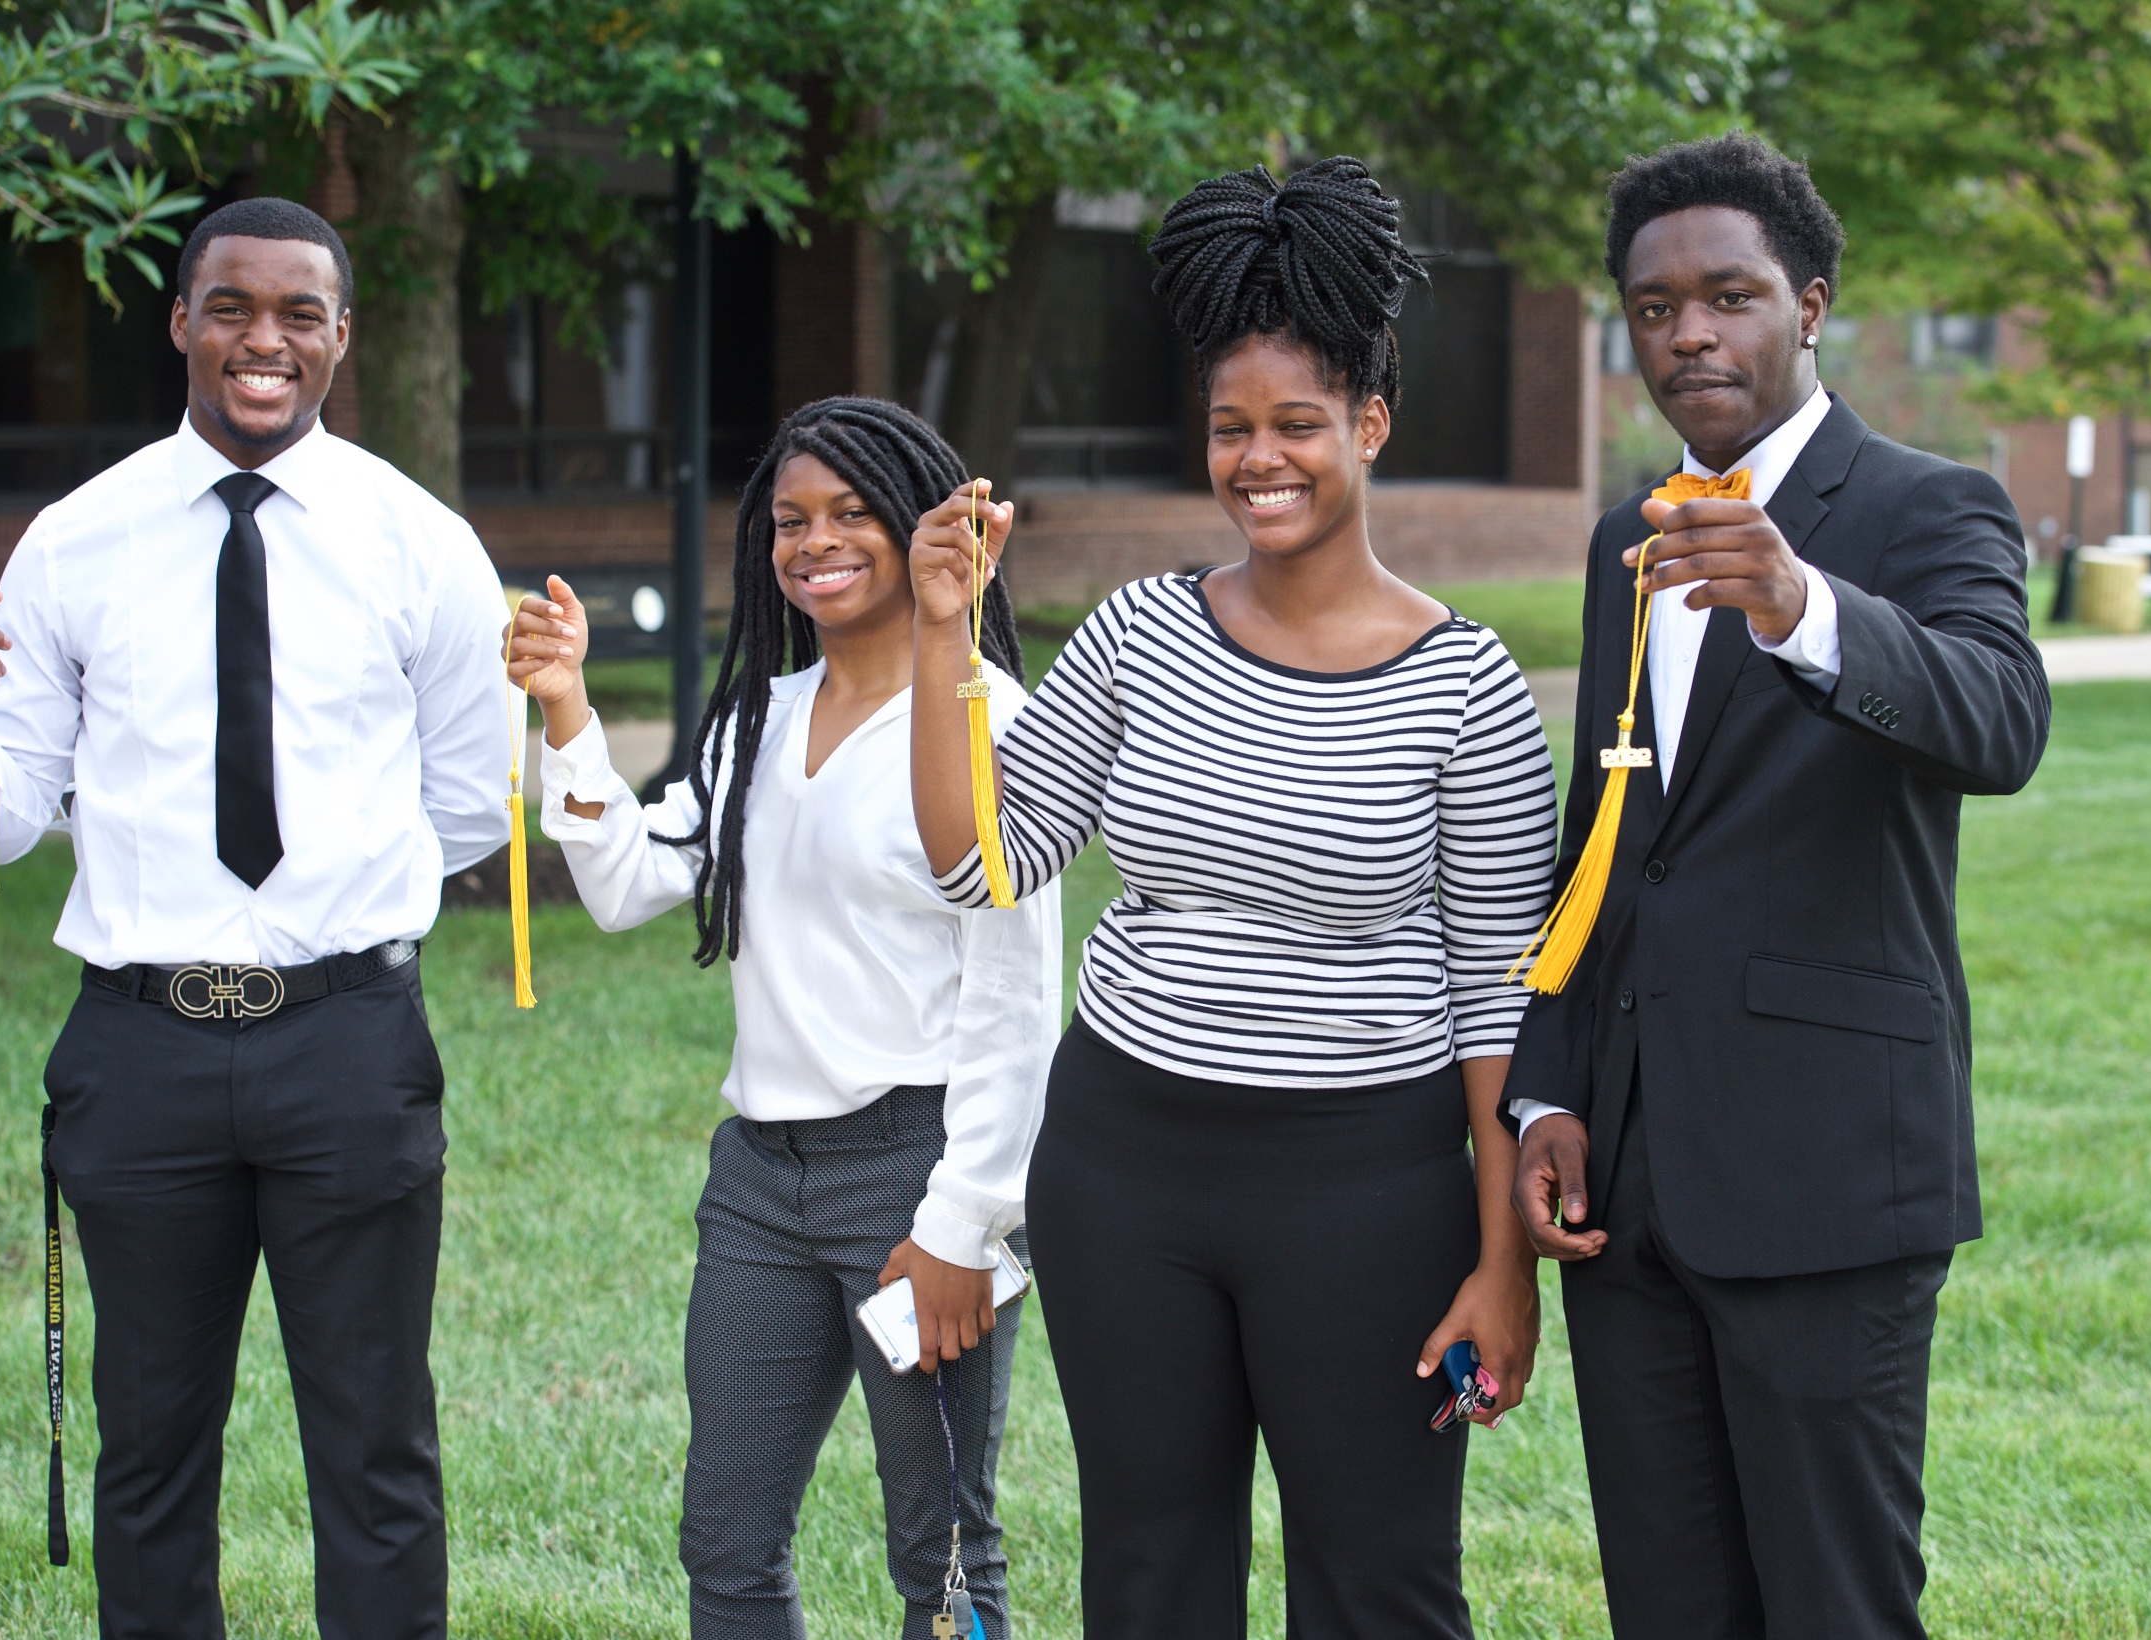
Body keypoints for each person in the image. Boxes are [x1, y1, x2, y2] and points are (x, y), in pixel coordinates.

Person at [900, 158, 1557, 1640]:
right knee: (1148, 1578)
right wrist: (947, 638)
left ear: (1372, 425)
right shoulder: (1139, 631)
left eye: (1300, 426)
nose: (1261, 460)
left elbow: (1501, 1000)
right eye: (1230, 429)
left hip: (1370, 1192)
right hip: (1124, 1169)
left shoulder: (1465, 686)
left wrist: (1503, 1271)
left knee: (1381, 1583)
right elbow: (981, 861)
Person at [0, 197, 512, 1638]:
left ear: (341, 339)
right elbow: (15, 806)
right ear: (181, 321)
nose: (265, 340)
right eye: (232, 306)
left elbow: (473, 799)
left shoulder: (418, 543)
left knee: (375, 1445)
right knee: (151, 1447)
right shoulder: (80, 539)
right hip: (142, 1051)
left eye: (301, 313)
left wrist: (338, 908)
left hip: (348, 1045)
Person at [1504, 133, 2051, 1640]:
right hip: (1631, 1190)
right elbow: (1603, 844)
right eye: (1655, 306)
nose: (1690, 332)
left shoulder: (1928, 508)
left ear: (1810, 305)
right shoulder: (1630, 538)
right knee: (1669, 1609)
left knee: (1835, 1604)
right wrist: (1547, 1093)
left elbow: (2000, 724)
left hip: (1827, 1180)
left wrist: (1802, 606)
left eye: (1729, 296)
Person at [509, 397, 1060, 1640]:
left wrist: (966, 1222)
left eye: (852, 513)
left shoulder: (992, 718)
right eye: (790, 520)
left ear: (922, 526)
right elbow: (627, 884)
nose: (815, 542)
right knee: (726, 1535)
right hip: (760, 1181)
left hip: (915, 1180)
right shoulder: (758, 714)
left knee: (946, 1552)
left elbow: (1019, 996)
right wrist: (565, 710)